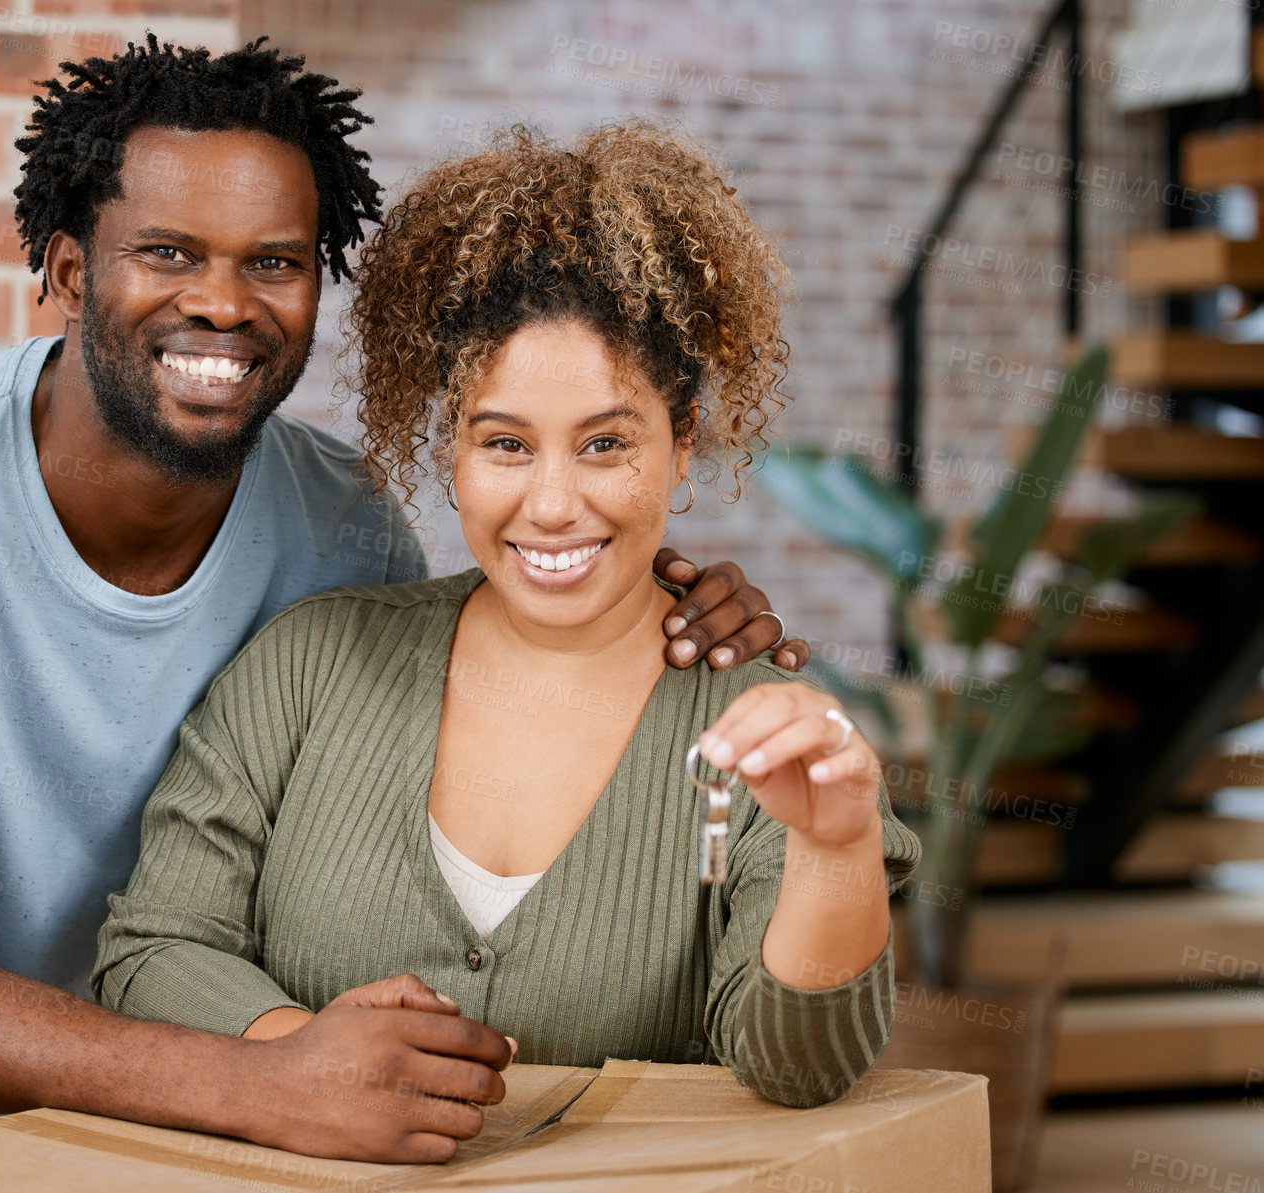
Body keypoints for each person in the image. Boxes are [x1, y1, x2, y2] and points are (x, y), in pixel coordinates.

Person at [0, 37, 806, 1188]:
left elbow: (426, 762)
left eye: (274, 261)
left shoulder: (343, 521)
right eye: (166, 251)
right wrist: (263, 1081)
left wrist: (655, 596)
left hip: (135, 1105)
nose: (221, 302)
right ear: (63, 269)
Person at [93, 123, 920, 1138]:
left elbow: (801, 1065)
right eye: (505, 443)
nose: (554, 502)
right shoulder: (305, 664)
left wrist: (832, 847)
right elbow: (151, 947)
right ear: (450, 446)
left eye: (605, 442)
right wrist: (291, 1056)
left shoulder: (760, 731)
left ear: (683, 443)